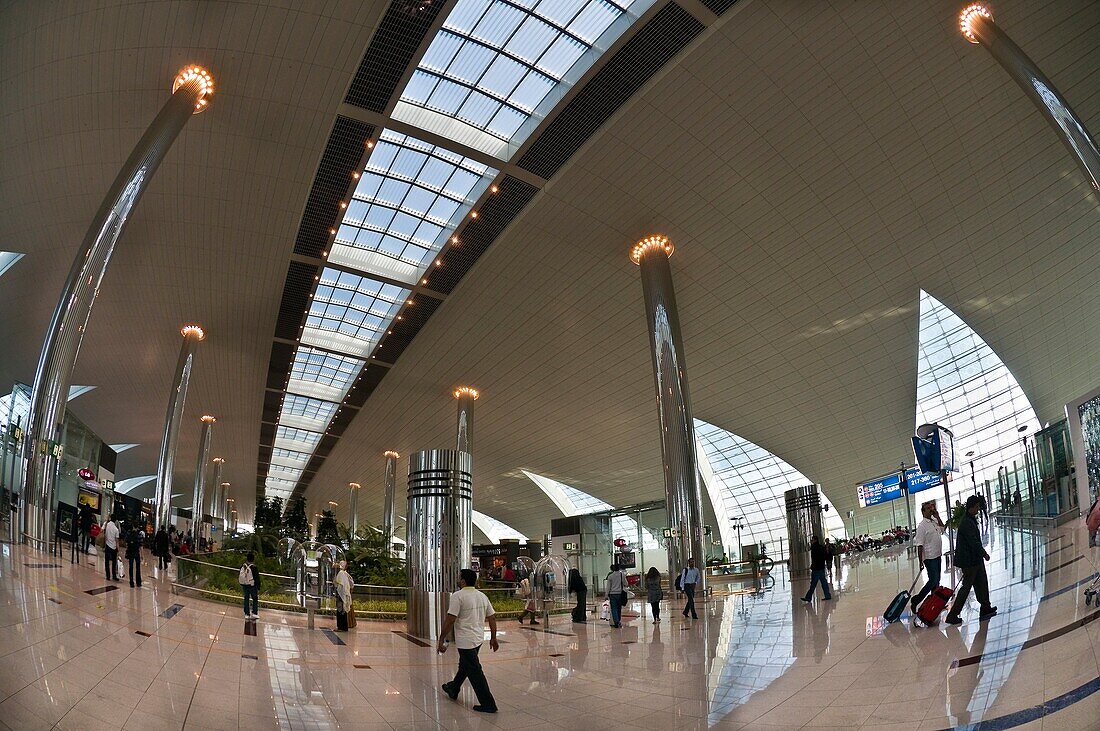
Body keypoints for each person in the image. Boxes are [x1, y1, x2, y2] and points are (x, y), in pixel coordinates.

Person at [438, 568, 498, 714]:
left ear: (463, 581)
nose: (459, 580)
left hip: (465, 641)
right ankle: (453, 688)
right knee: (465, 666)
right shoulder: (482, 596)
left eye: (460, 578)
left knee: (474, 671)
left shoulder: (458, 596)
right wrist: (493, 637)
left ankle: (488, 704)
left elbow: (450, 619)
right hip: (478, 639)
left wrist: (441, 639)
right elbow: (492, 617)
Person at [946, 495, 997, 625]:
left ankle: (985, 607)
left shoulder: (970, 519)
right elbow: (973, 542)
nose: (979, 509)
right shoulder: (966, 522)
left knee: (982, 583)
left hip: (975, 559)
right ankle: (952, 615)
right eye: (977, 507)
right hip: (969, 561)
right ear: (972, 507)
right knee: (966, 588)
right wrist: (984, 553)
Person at [911, 502, 945, 612]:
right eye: (928, 508)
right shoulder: (921, 526)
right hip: (930, 558)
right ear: (923, 511)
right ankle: (916, 600)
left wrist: (938, 517)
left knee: (937, 581)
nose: (931, 509)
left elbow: (943, 530)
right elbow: (919, 545)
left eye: (931, 507)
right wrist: (920, 561)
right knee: (933, 580)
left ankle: (935, 603)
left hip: (937, 555)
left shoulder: (934, 521)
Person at [800, 536, 833, 603]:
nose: (811, 541)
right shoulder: (821, 547)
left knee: (813, 584)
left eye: (812, 540)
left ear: (815, 540)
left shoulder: (814, 548)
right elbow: (824, 556)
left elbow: (815, 559)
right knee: (823, 582)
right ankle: (827, 595)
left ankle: (808, 597)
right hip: (821, 567)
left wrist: (813, 566)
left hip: (816, 569)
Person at [333, 560, 354, 631]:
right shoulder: (345, 573)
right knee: (342, 611)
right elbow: (351, 583)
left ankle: (341, 627)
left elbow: (339, 583)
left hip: (341, 594)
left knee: (341, 611)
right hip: (343, 594)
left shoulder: (341, 573)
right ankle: (342, 627)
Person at [606, 563, 628, 628]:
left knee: (614, 608)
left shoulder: (610, 576)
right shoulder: (622, 575)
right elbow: (626, 584)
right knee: (619, 608)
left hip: (612, 594)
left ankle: (616, 622)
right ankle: (619, 621)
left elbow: (608, 587)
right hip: (620, 594)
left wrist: (606, 595)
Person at [240, 552, 261, 620]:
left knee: (246, 598)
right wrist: (258, 587)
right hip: (252, 585)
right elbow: (257, 578)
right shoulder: (254, 567)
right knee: (255, 599)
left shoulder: (244, 566)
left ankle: (247, 614)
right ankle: (254, 613)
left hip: (245, 585)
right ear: (253, 559)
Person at [125, 523, 144, 588]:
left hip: (130, 552)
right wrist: (142, 555)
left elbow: (127, 543)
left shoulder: (129, 533)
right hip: (136, 552)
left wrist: (127, 551)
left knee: (131, 567)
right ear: (137, 527)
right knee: (138, 567)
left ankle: (131, 582)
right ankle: (138, 582)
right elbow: (141, 546)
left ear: (133, 526)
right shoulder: (139, 534)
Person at [103, 515, 120, 581]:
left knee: (107, 561)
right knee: (114, 562)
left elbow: (105, 534)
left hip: (107, 545)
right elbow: (117, 541)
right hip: (114, 547)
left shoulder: (107, 525)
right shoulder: (116, 529)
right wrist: (118, 549)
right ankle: (114, 575)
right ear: (115, 521)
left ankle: (108, 576)